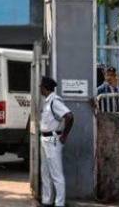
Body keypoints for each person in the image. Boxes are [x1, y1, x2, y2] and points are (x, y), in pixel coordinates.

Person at [39, 76, 74, 207]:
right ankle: (47, 201)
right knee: (45, 173)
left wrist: (64, 135)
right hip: (45, 139)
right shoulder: (47, 101)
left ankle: (59, 203)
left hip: (53, 139)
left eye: (41, 86)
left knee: (56, 174)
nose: (39, 88)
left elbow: (69, 116)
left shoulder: (55, 102)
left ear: (45, 88)